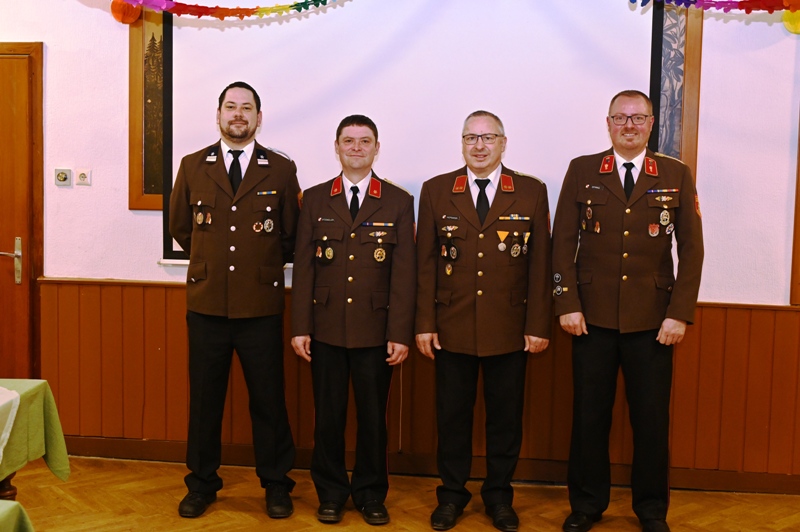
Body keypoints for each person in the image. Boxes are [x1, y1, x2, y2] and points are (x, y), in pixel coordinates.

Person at [551, 90, 704, 532]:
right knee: (589, 418)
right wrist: (567, 303)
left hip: (653, 323)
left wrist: (679, 313)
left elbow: (692, 250)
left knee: (651, 422)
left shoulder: (675, 173)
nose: (629, 125)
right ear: (608, 123)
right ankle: (586, 505)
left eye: (638, 118)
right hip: (590, 320)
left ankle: (652, 510)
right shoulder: (582, 170)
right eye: (620, 118)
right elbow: (562, 244)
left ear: (651, 123)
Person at [169, 81, 301, 520]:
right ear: (219, 115)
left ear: (259, 118)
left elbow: (288, 235)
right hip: (207, 305)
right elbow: (181, 227)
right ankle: (201, 484)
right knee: (205, 401)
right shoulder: (192, 165)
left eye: (247, 108)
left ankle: (277, 484)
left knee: (268, 400)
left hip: (260, 306)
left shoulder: (280, 169)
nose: (238, 114)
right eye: (231, 107)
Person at [415, 110, 552, 532]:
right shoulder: (437, 190)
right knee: (452, 419)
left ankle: (499, 497)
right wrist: (424, 323)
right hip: (451, 326)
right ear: (462, 143)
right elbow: (424, 264)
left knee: (505, 421)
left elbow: (541, 265)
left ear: (503, 143)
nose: (479, 146)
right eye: (471, 138)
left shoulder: (530, 191)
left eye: (488, 138)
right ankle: (451, 496)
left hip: (509, 327)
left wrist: (538, 325)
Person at [290, 115, 416, 526]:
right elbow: (305, 268)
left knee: (372, 419)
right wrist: (300, 326)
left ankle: (370, 494)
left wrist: (400, 332)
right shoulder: (314, 199)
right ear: (337, 147)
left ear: (377, 148)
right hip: (326, 328)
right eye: (349, 141)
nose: (356, 148)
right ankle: (330, 494)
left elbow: (404, 275)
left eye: (364, 141)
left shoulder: (398, 201)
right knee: (327, 418)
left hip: (376, 331)